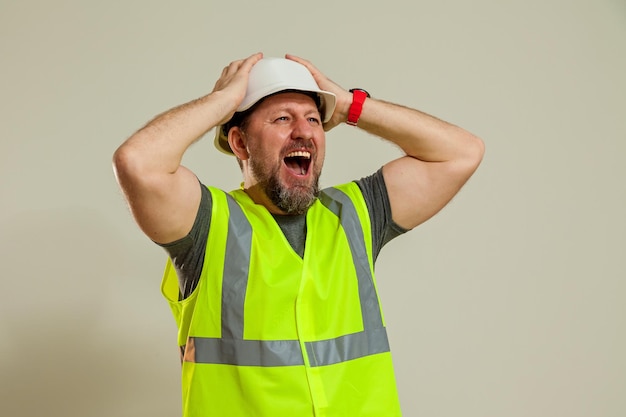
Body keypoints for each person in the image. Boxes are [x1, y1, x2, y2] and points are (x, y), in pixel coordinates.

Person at [112, 52, 484, 417]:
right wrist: (222, 102)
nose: (304, 131)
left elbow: (462, 153)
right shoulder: (207, 226)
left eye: (313, 119)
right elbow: (138, 162)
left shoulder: (358, 214)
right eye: (282, 119)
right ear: (240, 143)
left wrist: (351, 107)